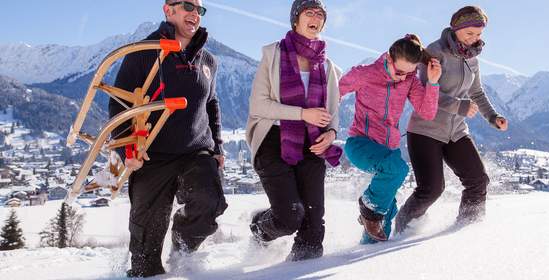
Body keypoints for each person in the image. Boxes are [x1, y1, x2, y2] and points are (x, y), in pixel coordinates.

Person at [109, 0, 227, 277]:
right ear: (168, 10)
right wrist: (128, 148)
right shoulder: (142, 53)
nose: (194, 14)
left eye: (199, 9)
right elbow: (119, 102)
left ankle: (181, 247)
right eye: (187, 6)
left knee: (209, 203)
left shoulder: (208, 60)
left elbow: (211, 104)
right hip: (152, 156)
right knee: (144, 260)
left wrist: (218, 147)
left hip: (195, 152)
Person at [396, 6, 509, 234]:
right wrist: (459, 106)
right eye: (469, 34)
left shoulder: (473, 59)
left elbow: (476, 92)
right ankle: (402, 227)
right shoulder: (434, 52)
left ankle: (467, 231)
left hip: (456, 131)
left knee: (478, 181)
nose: (474, 39)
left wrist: (492, 116)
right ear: (456, 29)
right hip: (425, 131)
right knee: (431, 189)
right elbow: (427, 90)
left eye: (478, 35)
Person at [246, 0, 342, 261]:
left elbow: (332, 114)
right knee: (289, 217)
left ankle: (302, 269)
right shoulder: (273, 55)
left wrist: (331, 135)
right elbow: (258, 105)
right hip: (273, 141)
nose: (315, 17)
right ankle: (258, 227)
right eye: (309, 12)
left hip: (313, 142)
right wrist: (302, 114)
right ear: (295, 20)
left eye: (320, 14)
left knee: (313, 230)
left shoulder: (328, 66)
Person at [339, 34, 441, 243]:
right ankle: (368, 207)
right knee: (398, 169)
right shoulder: (365, 74)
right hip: (361, 144)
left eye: (410, 73)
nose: (404, 77)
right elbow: (332, 92)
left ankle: (370, 250)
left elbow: (427, 112)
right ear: (389, 57)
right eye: (400, 71)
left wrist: (432, 83)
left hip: (388, 150)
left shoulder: (409, 80)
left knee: (386, 212)